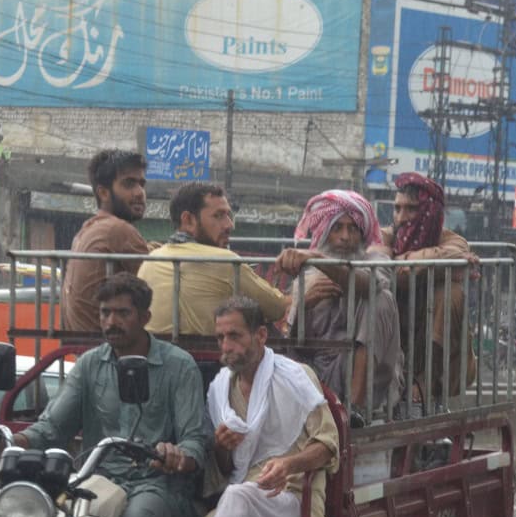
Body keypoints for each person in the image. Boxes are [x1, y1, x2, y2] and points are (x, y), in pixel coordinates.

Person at [0, 273, 208, 517]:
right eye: (105, 313)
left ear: (145, 316)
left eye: (123, 313)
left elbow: (195, 439)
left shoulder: (178, 366)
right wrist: (5, 439)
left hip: (158, 486)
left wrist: (177, 457)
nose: (111, 322)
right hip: (97, 480)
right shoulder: (89, 365)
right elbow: (52, 428)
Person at [177, 298, 341, 517]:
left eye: (234, 336)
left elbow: (329, 446)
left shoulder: (295, 378)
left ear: (261, 335)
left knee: (237, 499)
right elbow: (223, 468)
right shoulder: (221, 388)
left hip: (291, 497)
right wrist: (221, 447)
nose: (226, 346)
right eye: (220, 338)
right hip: (247, 492)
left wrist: (289, 464)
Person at [275, 189, 402, 417]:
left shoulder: (375, 261)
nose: (345, 236)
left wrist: (320, 260)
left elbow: (368, 285)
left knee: (381, 299)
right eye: (337, 228)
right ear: (325, 233)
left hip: (369, 375)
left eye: (352, 228)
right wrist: (303, 306)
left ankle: (356, 408)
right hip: (319, 371)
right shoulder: (307, 275)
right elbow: (294, 343)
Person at [139, 182, 288, 336]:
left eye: (228, 216)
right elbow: (276, 309)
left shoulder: (152, 259)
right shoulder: (226, 261)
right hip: (211, 358)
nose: (229, 225)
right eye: (218, 216)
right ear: (188, 220)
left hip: (155, 355)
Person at [387, 172, 479, 403]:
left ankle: (424, 381)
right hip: (394, 344)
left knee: (452, 294)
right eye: (397, 208)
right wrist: (433, 264)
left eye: (410, 209)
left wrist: (402, 263)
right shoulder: (385, 236)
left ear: (429, 212)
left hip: (439, 360)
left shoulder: (451, 240)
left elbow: (458, 251)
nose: (401, 217)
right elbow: (379, 264)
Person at [61, 150, 152, 334]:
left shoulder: (88, 228)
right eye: (129, 184)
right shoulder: (117, 229)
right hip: (108, 345)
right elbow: (158, 280)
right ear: (103, 192)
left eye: (141, 184)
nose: (139, 193)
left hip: (86, 344)